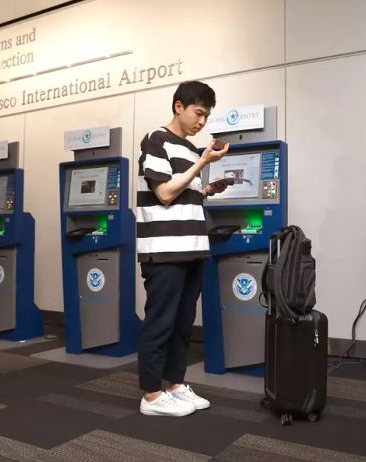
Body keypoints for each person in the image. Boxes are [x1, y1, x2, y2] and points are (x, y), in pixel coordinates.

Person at [136, 80, 230, 416]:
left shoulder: (190, 150)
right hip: (163, 249)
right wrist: (203, 164)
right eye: (198, 113)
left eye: (206, 116)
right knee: (160, 321)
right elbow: (163, 193)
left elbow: (183, 192)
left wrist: (207, 190)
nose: (202, 122)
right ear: (179, 106)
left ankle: (174, 384)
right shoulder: (155, 139)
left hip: (192, 247)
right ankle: (150, 395)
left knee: (182, 322)